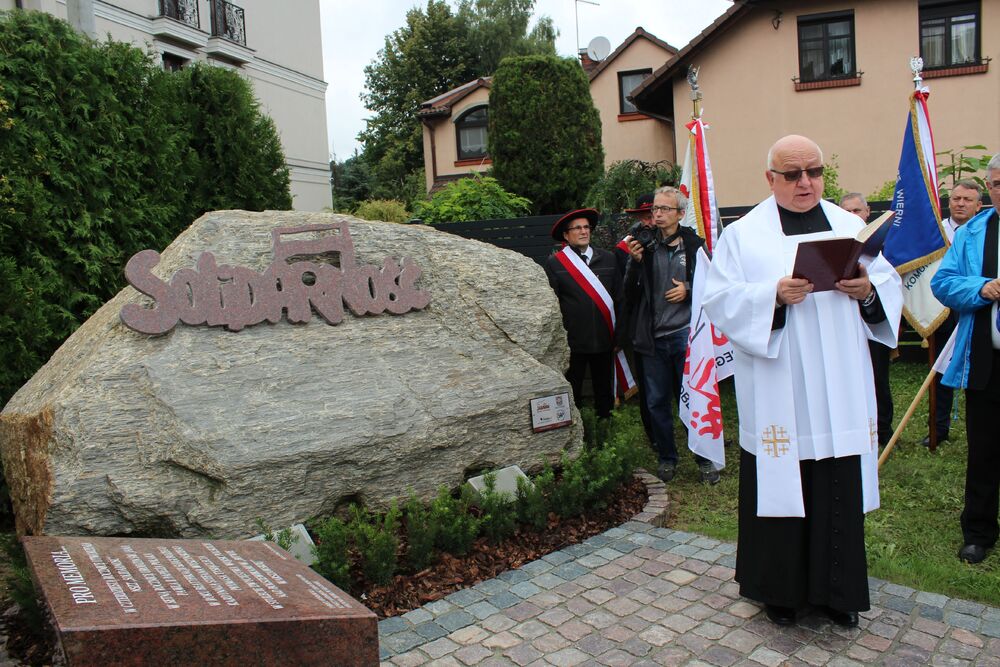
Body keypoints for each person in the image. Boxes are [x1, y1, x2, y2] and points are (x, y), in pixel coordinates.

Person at [702, 135, 903, 628]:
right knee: (781, 484)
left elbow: (888, 285)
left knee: (836, 485)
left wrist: (867, 291)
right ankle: (781, 592)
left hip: (838, 385)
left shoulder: (849, 224)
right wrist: (770, 295)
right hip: (780, 387)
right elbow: (719, 300)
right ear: (770, 179)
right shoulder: (744, 235)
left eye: (813, 171)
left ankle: (838, 594)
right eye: (792, 174)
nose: (805, 182)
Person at [929, 156, 1000, 565]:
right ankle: (979, 532)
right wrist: (982, 287)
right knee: (985, 451)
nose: (999, 190)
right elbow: (944, 283)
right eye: (995, 184)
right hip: (988, 360)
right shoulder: (974, 232)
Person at [623, 186, 718, 485]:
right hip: (652, 337)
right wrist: (634, 263)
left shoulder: (694, 246)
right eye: (656, 210)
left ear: (679, 214)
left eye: (665, 209)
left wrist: (688, 289)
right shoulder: (644, 246)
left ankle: (704, 460)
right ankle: (667, 458)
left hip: (686, 336)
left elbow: (714, 283)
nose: (659, 214)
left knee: (692, 399)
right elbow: (628, 293)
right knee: (656, 402)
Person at [544, 208, 623, 420]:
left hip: (605, 338)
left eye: (586, 227)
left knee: (604, 389)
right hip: (574, 341)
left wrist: (620, 334)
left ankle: (605, 427)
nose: (583, 231)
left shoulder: (609, 259)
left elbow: (619, 297)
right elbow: (554, 303)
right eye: (577, 228)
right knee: (573, 390)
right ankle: (574, 433)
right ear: (566, 235)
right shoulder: (556, 263)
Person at [924, 179, 984, 447]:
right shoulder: (935, 233)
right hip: (940, 309)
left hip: (975, 307)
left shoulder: (982, 234)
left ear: (979, 205)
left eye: (967, 200)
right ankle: (939, 428)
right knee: (940, 367)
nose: (960, 204)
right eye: (956, 199)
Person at [839, 192, 894, 446]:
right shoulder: (834, 243)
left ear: (867, 212)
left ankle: (882, 430)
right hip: (840, 330)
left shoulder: (875, 250)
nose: (852, 216)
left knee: (877, 378)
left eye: (856, 211)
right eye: (846, 211)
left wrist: (868, 291)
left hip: (870, 326)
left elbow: (887, 282)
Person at [616, 194, 656, 448]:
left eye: (655, 213)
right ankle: (655, 437)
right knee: (650, 389)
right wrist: (636, 261)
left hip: (675, 323)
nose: (651, 220)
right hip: (643, 324)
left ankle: (698, 433)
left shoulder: (677, 241)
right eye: (645, 216)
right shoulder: (626, 248)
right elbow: (625, 290)